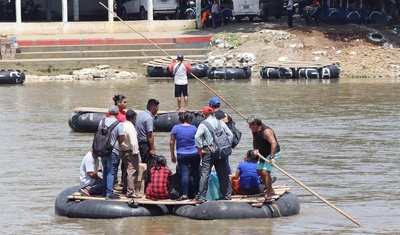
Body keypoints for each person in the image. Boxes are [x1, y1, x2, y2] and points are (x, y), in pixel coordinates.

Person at [194, 106, 233, 202]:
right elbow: (230, 135)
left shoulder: (203, 124)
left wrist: (200, 149)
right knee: (223, 173)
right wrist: (226, 146)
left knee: (205, 174)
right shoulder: (220, 123)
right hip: (221, 151)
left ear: (203, 115)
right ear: (213, 114)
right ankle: (227, 195)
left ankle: (201, 197)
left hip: (208, 151)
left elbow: (197, 136)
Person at [247, 115, 281, 202]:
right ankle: (271, 189)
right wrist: (255, 149)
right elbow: (255, 140)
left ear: (255, 124)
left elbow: (274, 143)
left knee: (265, 172)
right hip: (263, 153)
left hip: (272, 152)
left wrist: (272, 157)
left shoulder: (266, 132)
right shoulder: (254, 131)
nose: (249, 127)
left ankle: (268, 194)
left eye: (250, 125)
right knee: (259, 171)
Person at [170, 112, 200, 201]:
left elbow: (172, 142)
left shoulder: (175, 128)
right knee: (196, 174)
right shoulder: (194, 128)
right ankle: (198, 194)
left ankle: (184, 195)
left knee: (184, 174)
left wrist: (172, 155)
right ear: (190, 120)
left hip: (182, 154)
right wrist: (200, 153)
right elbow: (199, 141)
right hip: (194, 153)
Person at [99, 105, 125, 200]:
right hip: (113, 151)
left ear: (109, 112)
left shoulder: (102, 121)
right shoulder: (118, 124)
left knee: (105, 170)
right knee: (111, 171)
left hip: (102, 150)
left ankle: (104, 191)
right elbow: (122, 138)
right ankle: (109, 193)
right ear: (118, 113)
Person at [135, 98, 160, 188]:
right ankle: (147, 186)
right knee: (148, 164)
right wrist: (152, 148)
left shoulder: (140, 115)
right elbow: (150, 135)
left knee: (143, 162)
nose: (157, 110)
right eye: (157, 108)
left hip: (138, 142)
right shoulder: (149, 118)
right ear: (153, 108)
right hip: (145, 143)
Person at [208, 97, 236, 174]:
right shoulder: (225, 114)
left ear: (211, 105)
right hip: (226, 142)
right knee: (225, 161)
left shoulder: (213, 116)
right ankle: (229, 175)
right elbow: (234, 122)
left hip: (217, 143)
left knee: (214, 162)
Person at [106, 94, 127, 190]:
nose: (126, 104)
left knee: (124, 163)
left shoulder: (123, 113)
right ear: (118, 103)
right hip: (116, 143)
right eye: (124, 102)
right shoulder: (113, 116)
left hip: (124, 142)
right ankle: (114, 182)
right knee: (114, 164)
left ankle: (123, 181)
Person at [120, 109, 141, 198]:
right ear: (134, 117)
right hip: (130, 151)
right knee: (132, 172)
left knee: (126, 171)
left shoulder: (122, 125)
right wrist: (135, 152)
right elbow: (133, 142)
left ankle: (125, 189)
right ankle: (130, 192)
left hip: (123, 151)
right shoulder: (131, 127)